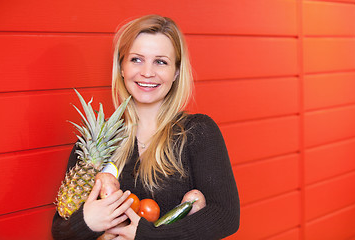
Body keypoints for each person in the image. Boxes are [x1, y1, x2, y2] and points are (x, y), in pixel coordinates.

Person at [52, 14, 240, 240]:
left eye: (160, 61)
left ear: (176, 72)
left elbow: (225, 215)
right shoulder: (98, 141)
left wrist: (146, 235)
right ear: (121, 67)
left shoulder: (197, 132)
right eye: (136, 60)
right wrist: (87, 222)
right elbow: (59, 230)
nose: (147, 72)